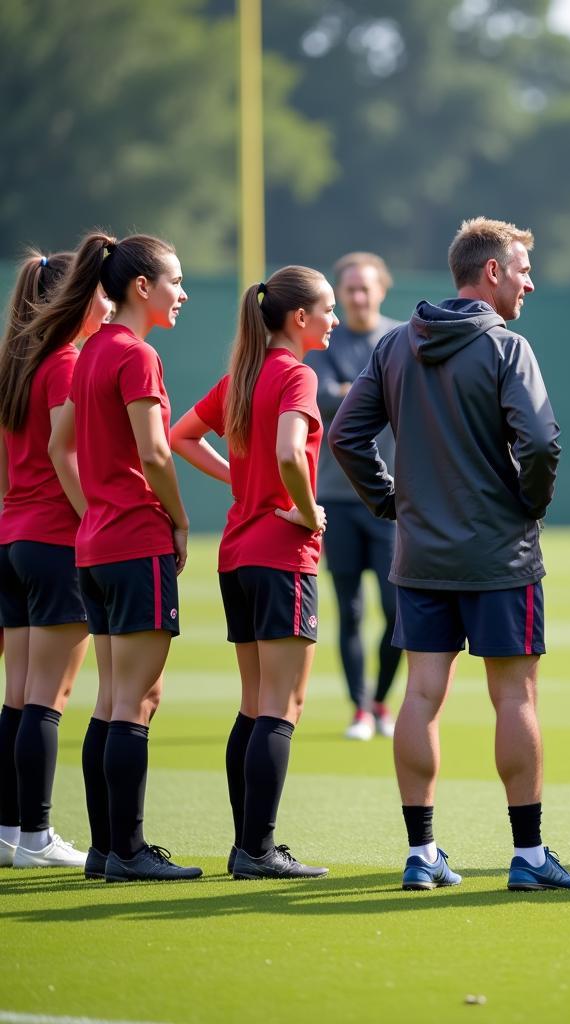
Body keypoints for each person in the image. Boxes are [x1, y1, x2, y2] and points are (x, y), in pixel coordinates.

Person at [331, 216, 570, 891]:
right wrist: (529, 506)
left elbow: (346, 437)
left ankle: (422, 854)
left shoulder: (393, 346)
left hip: (421, 557)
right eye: (522, 269)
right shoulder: (508, 348)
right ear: (493, 272)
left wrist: (392, 503)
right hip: (500, 556)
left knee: (419, 695)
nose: (530, 282)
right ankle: (529, 857)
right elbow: (540, 443)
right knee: (516, 698)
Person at [170, 265, 335, 879]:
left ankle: (249, 846)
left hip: (237, 554)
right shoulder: (296, 373)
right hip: (280, 556)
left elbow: (180, 436)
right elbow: (293, 452)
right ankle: (257, 851)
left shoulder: (244, 375)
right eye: (327, 309)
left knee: (253, 704)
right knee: (282, 706)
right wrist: (305, 507)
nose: (334, 319)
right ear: (299, 318)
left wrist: (239, 481)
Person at [47, 231, 201, 882]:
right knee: (134, 700)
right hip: (136, 542)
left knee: (112, 698)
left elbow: (63, 447)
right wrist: (182, 521)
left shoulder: (88, 353)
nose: (183, 293)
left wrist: (96, 512)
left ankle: (108, 851)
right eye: (175, 281)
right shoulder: (135, 355)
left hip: (95, 546)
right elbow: (156, 452)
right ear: (143, 287)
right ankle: (128, 852)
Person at [0, 249, 94, 869]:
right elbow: (67, 456)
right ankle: (34, 835)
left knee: (18, 698)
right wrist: (98, 519)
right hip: (56, 540)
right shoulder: (63, 363)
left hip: (12, 539)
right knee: (47, 698)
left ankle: (9, 832)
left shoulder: (18, 365)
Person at [306, 252, 402, 741]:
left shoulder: (401, 336)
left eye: (366, 288)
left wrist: (353, 391)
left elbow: (404, 396)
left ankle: (382, 700)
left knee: (397, 610)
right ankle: (360, 710)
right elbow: (323, 397)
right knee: (350, 610)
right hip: (338, 499)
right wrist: (377, 393)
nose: (358, 297)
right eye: (350, 290)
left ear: (382, 290)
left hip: (391, 502)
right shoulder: (326, 338)